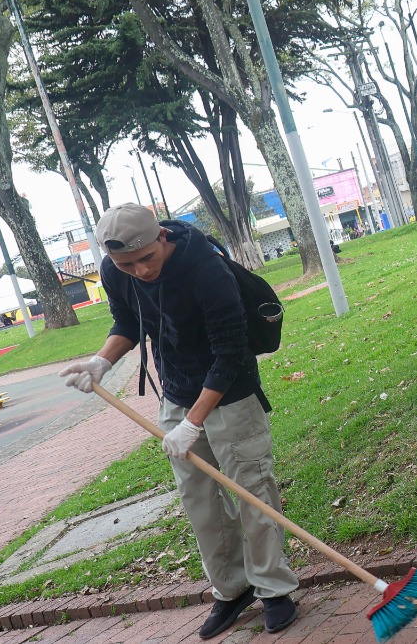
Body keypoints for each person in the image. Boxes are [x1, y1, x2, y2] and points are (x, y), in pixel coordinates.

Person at [60, 205, 299, 638]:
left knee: (252, 491)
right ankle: (232, 589)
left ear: (163, 238)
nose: (140, 270)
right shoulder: (118, 272)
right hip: (177, 390)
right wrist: (101, 362)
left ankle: (274, 588)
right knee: (198, 498)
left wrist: (192, 423)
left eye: (147, 258)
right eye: (126, 264)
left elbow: (230, 355)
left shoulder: (207, 270)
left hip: (231, 392)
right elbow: (128, 322)